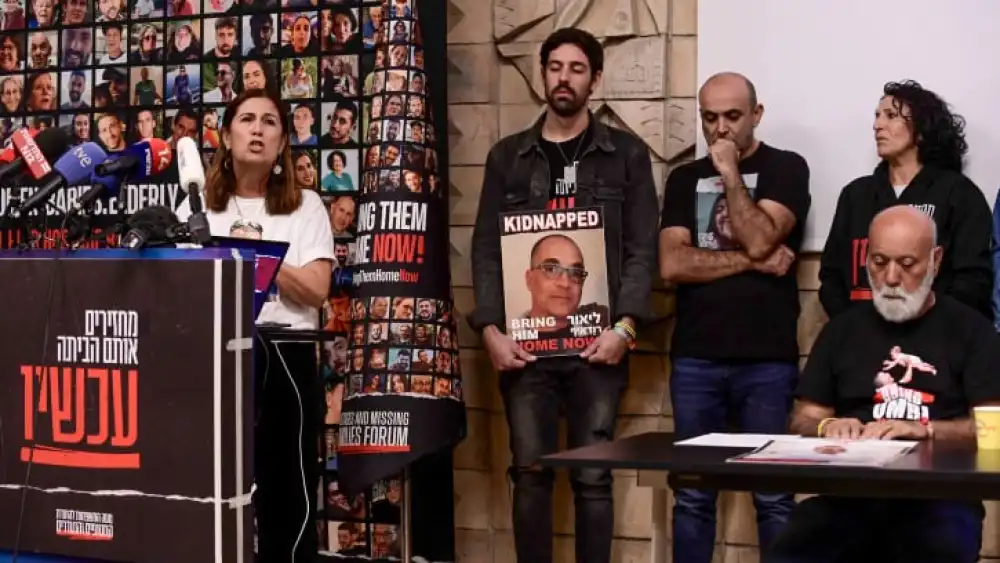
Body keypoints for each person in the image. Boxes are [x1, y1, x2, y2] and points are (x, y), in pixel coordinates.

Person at [469, 27, 657, 563]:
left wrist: (625, 328)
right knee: (530, 474)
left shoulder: (627, 155)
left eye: (577, 69)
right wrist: (490, 331)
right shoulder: (508, 157)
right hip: (523, 350)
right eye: (555, 67)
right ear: (542, 73)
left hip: (598, 347)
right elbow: (485, 249)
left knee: (595, 477)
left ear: (595, 79)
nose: (564, 78)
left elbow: (642, 249)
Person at [771, 205, 1000, 563]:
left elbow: (995, 430)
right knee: (794, 545)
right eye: (879, 262)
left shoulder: (971, 331)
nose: (891, 277)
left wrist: (926, 430)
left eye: (907, 265)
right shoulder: (842, 330)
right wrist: (827, 425)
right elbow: (802, 417)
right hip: (850, 499)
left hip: (939, 500)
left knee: (941, 544)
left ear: (935, 261)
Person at [174, 88, 334, 563]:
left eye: (269, 122)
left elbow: (318, 289)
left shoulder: (305, 207)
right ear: (226, 135)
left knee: (289, 490)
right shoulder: (196, 209)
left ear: (283, 141)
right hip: (214, 358)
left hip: (286, 357)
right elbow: (180, 290)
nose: (258, 129)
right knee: (212, 486)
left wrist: (259, 259)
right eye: (247, 119)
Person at [658, 71, 811, 563]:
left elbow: (764, 236)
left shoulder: (787, 168)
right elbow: (673, 264)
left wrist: (728, 175)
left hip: (765, 360)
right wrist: (751, 261)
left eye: (732, 116)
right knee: (694, 494)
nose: (720, 129)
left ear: (756, 115)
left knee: (773, 495)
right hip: (696, 360)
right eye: (709, 117)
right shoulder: (683, 178)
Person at [819, 80, 992, 322]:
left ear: (921, 131)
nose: (877, 125)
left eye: (891, 116)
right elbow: (831, 276)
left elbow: (973, 280)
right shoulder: (855, 194)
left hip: (937, 339)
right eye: (877, 116)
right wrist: (856, 328)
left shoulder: (958, 193)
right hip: (862, 338)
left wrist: (929, 326)